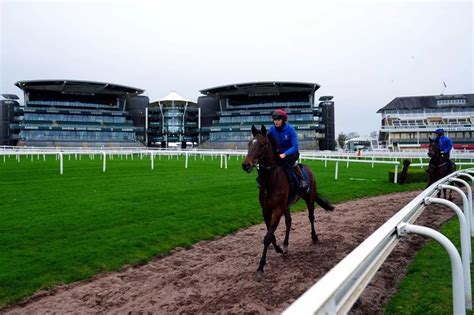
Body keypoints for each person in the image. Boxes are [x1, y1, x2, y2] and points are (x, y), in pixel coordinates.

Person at [267, 108, 308, 193]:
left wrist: (285, 154)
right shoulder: (271, 130)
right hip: (279, 153)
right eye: (275, 119)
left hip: (291, 152)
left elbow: (295, 146)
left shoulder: (290, 129)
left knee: (291, 162)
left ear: (284, 120)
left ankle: (302, 180)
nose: (276, 121)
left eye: (278, 119)